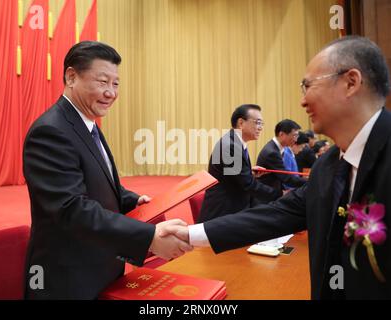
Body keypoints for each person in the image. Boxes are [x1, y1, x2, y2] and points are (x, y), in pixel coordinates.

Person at [162, 36, 391, 299]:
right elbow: (276, 215)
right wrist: (190, 234)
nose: (303, 102)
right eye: (256, 122)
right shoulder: (327, 167)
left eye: (308, 86)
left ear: (351, 82)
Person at [22, 41, 192, 299]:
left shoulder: (88, 124)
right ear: (71, 77)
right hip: (67, 278)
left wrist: (134, 201)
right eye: (103, 82)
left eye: (116, 84)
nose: (111, 92)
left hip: (101, 266)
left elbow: (99, 185)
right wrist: (149, 238)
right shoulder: (51, 131)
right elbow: (71, 209)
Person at [197, 104, 282, 222]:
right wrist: (280, 194)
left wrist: (248, 172)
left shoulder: (233, 142)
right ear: (241, 123)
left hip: (231, 210)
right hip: (222, 216)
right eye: (257, 122)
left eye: (261, 124)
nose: (260, 127)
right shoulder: (231, 146)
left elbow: (233, 176)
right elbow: (248, 185)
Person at [256, 119, 307, 202]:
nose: (296, 139)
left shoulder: (278, 148)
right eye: (294, 135)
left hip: (272, 194)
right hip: (266, 197)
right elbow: (286, 178)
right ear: (281, 134)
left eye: (297, 136)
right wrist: (310, 181)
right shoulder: (272, 152)